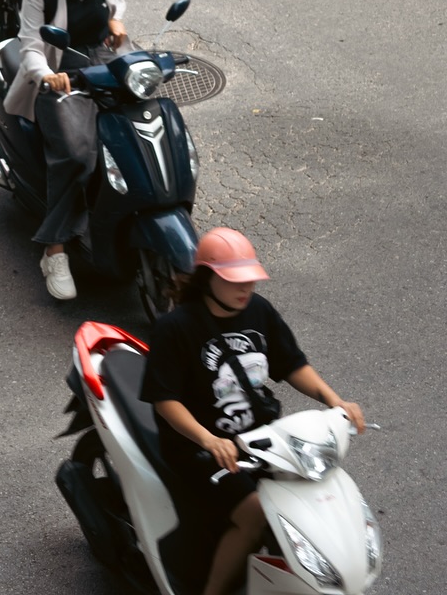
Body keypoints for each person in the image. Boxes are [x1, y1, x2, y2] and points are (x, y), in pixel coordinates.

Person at [142, 231, 366, 595]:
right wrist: (209, 439)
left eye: (249, 278)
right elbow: (165, 400)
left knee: (313, 491)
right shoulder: (176, 327)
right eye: (235, 280)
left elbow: (291, 364)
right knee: (254, 509)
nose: (245, 288)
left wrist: (335, 401)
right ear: (208, 278)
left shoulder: (258, 311)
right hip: (199, 448)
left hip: (263, 439)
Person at [3, 0, 127, 300]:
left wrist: (117, 24)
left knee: (141, 122)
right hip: (61, 71)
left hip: (104, 60)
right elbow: (31, 47)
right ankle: (54, 250)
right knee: (76, 153)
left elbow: (115, 4)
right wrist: (47, 76)